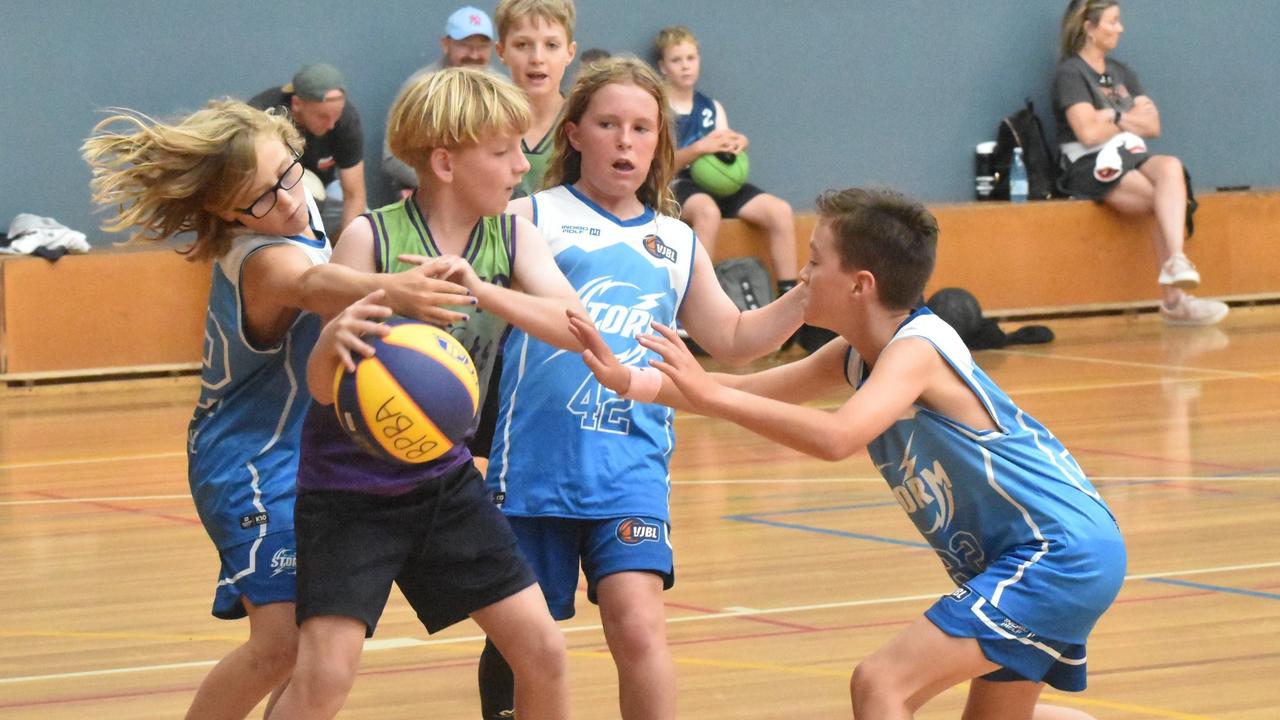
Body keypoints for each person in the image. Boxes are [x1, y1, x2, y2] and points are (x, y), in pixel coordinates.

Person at [571, 187, 1125, 720]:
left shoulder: (918, 348)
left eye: (814, 262)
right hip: (1037, 556)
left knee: (880, 682)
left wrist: (711, 392)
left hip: (1056, 553)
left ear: (860, 285)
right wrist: (631, 381)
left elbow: (838, 437)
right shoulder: (859, 352)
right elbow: (741, 393)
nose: (803, 276)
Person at [82, 100, 474, 720]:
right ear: (226, 212)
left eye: (288, 173)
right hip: (251, 459)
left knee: (313, 653)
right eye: (260, 198)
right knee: (282, 643)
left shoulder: (300, 205)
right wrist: (393, 289)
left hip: (309, 455)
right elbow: (313, 286)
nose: (287, 201)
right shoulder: (254, 256)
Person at [476, 57, 805, 720]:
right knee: (523, 642)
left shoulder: (675, 239)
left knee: (638, 625)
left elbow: (734, 336)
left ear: (660, 144)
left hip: (630, 464)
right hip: (533, 466)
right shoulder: (528, 217)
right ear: (573, 134)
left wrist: (807, 297)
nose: (625, 141)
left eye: (642, 128)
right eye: (608, 124)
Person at [269, 67, 582, 720]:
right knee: (325, 675)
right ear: (444, 161)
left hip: (443, 482)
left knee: (544, 652)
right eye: (502, 152)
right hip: (348, 492)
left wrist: (481, 287)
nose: (522, 165)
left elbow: (579, 329)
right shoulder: (371, 239)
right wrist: (357, 321)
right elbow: (325, 390)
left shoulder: (512, 237)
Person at [1053, 0, 1227, 326]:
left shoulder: (1121, 72)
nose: (1120, 28)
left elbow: (1153, 126)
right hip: (1089, 164)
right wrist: (1125, 115)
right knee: (1162, 201)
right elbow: (1088, 132)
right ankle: (1175, 302)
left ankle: (1177, 260)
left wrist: (1111, 116)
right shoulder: (1071, 73)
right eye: (1113, 21)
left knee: (1170, 167)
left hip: (1130, 154)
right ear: (1089, 28)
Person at [654, 26, 799, 302]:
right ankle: (695, 299)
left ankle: (788, 298)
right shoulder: (658, 107)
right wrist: (697, 149)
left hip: (716, 185)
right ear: (662, 66)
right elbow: (659, 167)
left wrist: (737, 144)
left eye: (690, 58)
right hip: (677, 183)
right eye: (676, 60)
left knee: (780, 211)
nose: (685, 66)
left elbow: (724, 155)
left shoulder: (711, 107)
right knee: (707, 212)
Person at [383, 6, 497, 195]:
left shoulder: (502, 90)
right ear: (446, 44)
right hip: (428, 194)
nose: (474, 55)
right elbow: (391, 157)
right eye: (466, 45)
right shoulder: (419, 88)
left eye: (482, 46)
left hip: (485, 192)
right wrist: (446, 186)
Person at [249, 64, 368, 237]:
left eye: (337, 115)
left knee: (363, 221)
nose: (332, 124)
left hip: (325, 191)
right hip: (272, 196)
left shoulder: (346, 119)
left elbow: (354, 193)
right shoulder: (262, 117)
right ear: (297, 103)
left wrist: (346, 245)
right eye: (322, 116)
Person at [495, 0, 577, 199]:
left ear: (570, 52)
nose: (537, 58)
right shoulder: (482, 122)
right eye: (522, 45)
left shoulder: (585, 123)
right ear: (501, 51)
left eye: (551, 45)